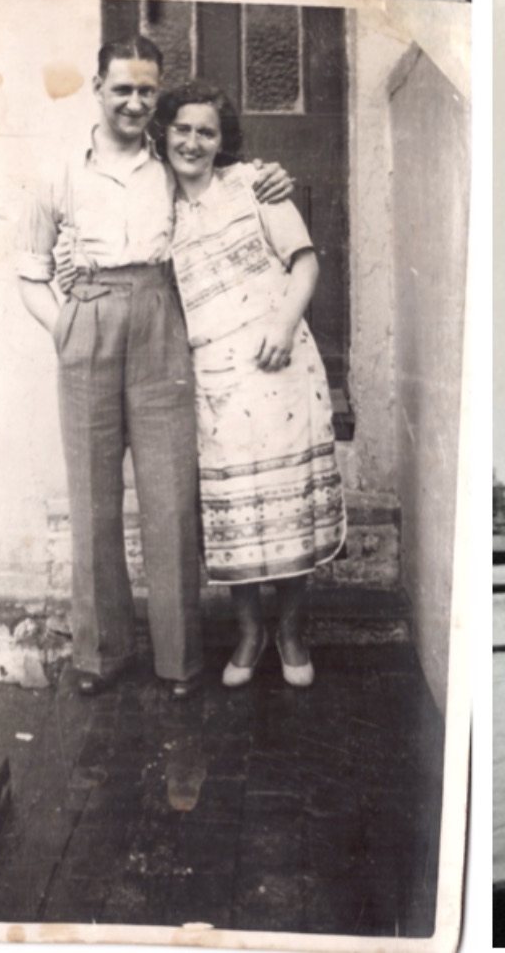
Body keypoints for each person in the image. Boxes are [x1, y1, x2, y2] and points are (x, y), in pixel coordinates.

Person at [16, 36, 292, 701]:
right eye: (122, 89)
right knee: (93, 500)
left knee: (171, 497)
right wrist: (70, 329)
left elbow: (228, 177)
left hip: (162, 323)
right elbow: (28, 274)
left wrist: (270, 176)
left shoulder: (172, 164)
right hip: (88, 324)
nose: (134, 102)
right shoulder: (59, 174)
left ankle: (179, 662)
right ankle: (101, 656)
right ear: (97, 88)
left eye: (146, 90)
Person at [154, 81, 346, 688]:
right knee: (232, 512)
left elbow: (305, 262)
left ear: (222, 141)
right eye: (182, 128)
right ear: (164, 133)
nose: (192, 141)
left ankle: (290, 631)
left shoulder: (254, 185)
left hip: (280, 364)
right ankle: (250, 632)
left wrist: (285, 325)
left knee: (289, 506)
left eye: (206, 131)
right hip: (215, 379)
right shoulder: (157, 208)